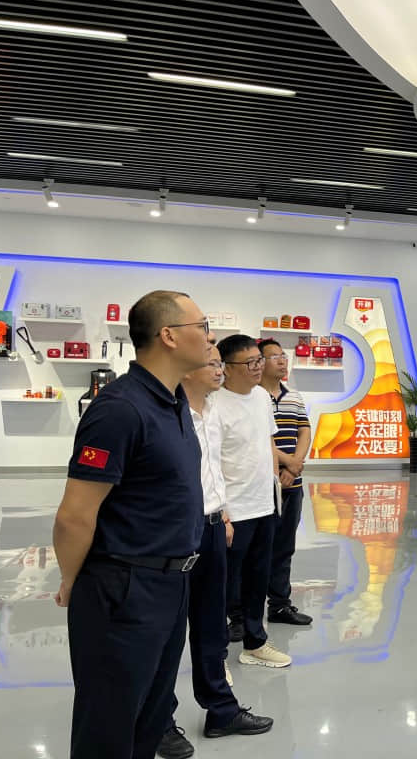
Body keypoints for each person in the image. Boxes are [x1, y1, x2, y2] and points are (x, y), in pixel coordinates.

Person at [53, 290, 211, 758]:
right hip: (124, 587)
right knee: (109, 724)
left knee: (149, 719)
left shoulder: (175, 402)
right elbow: (74, 515)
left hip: (172, 583)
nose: (210, 337)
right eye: (202, 327)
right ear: (168, 335)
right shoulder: (120, 409)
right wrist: (72, 579)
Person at [157, 345, 274, 759]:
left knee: (211, 627)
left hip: (211, 526)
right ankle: (159, 721)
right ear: (186, 368)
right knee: (168, 634)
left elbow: (211, 473)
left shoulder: (210, 411)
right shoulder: (167, 415)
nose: (218, 369)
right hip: (176, 533)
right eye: (210, 362)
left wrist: (221, 512)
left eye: (219, 362)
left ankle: (221, 710)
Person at [215, 334, 291, 668]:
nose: (258, 367)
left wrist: (275, 482)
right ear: (227, 368)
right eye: (249, 363)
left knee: (258, 578)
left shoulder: (261, 397)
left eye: (259, 360)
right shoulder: (214, 404)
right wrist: (223, 512)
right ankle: (216, 657)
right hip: (234, 510)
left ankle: (255, 643)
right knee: (224, 585)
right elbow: (210, 462)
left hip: (264, 505)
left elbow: (268, 443)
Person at [258, 338, 313, 626]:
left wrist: (295, 464)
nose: (282, 360)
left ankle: (279, 605)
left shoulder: (295, 397)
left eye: (283, 355)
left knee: (284, 548)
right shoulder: (253, 397)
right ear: (259, 362)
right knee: (255, 549)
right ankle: (242, 613)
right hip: (263, 485)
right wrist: (287, 462)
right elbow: (258, 439)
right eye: (274, 356)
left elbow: (304, 431)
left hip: (292, 484)